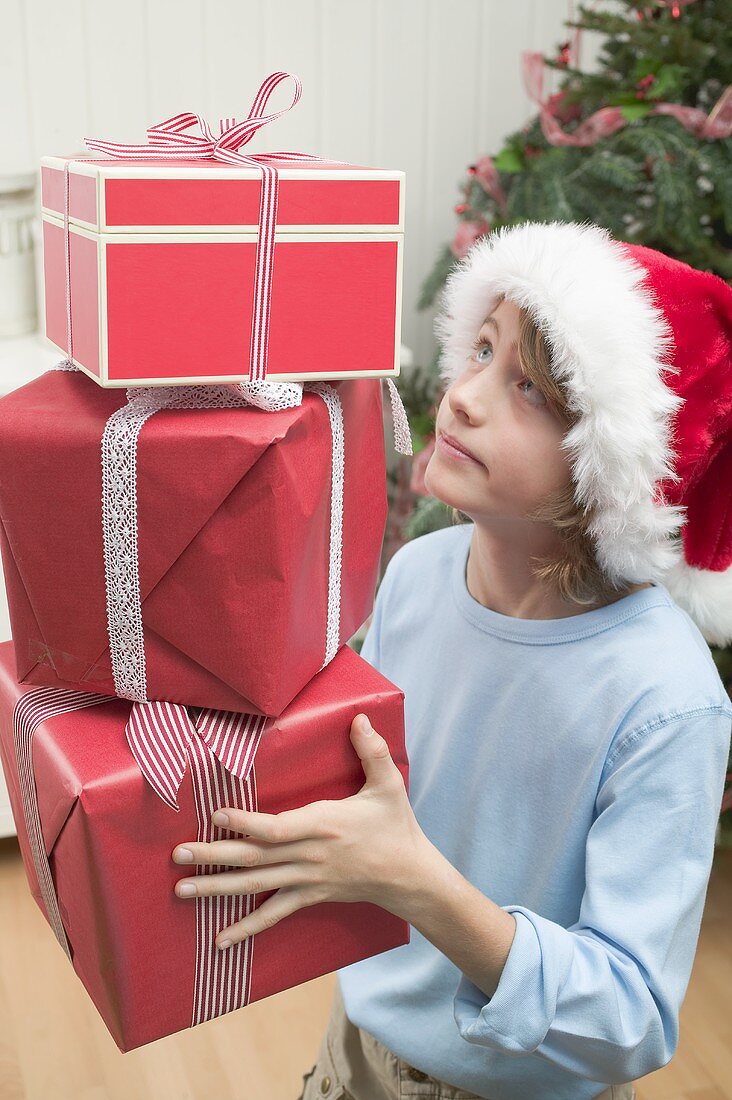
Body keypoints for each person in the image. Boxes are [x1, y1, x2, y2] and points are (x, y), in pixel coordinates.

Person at [171, 220, 732, 1100]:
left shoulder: (667, 699)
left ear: (616, 470)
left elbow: (632, 1018)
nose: (464, 394)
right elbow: (369, 789)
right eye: (479, 348)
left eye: (531, 390)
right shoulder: (419, 573)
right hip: (358, 1036)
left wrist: (417, 883)